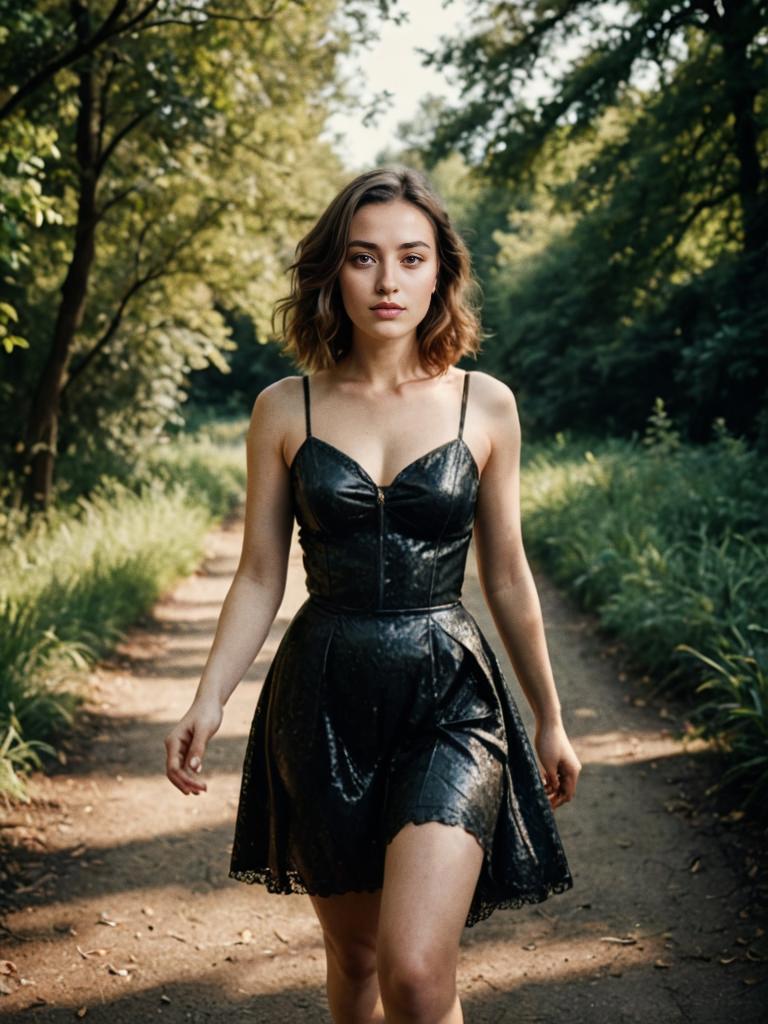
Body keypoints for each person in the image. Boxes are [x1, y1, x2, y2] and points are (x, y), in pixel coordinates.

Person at [165, 166, 582, 1024]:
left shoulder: (486, 404)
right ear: (334, 272)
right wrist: (207, 698)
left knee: (418, 972)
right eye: (363, 258)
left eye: (410, 257)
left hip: (451, 698)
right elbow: (258, 573)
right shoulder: (285, 409)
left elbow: (506, 573)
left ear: (440, 272)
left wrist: (549, 714)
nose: (388, 281)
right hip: (322, 700)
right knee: (354, 962)